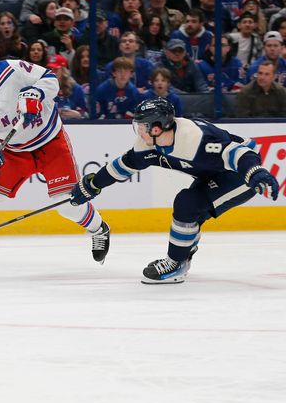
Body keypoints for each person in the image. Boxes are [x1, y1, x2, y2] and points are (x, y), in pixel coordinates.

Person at [70, 97, 279, 283]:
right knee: (191, 207)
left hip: (239, 176)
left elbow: (237, 152)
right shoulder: (148, 145)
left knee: (187, 205)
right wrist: (93, 184)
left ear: (157, 128)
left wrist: (255, 171)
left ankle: (176, 262)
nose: (138, 130)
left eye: (142, 125)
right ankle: (183, 254)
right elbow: (124, 165)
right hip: (213, 172)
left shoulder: (195, 139)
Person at [0, 52, 111, 271]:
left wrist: (35, 94)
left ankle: (99, 229)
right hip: (15, 151)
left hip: (51, 142)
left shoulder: (10, 70)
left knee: (67, 203)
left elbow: (50, 78)